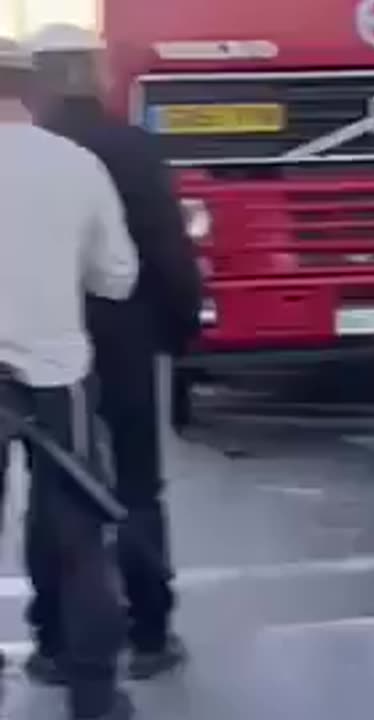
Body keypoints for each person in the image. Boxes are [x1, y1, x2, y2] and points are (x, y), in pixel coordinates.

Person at [20, 23, 203, 685]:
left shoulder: (28, 151)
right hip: (123, 338)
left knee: (54, 493)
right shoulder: (130, 147)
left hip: (39, 344)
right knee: (135, 487)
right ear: (95, 73)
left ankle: (56, 641)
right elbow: (167, 250)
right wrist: (182, 335)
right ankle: (150, 633)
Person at [0, 36, 137, 720]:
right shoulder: (76, 165)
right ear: (31, 88)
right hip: (56, 375)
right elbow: (117, 277)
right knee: (79, 540)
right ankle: (91, 695)